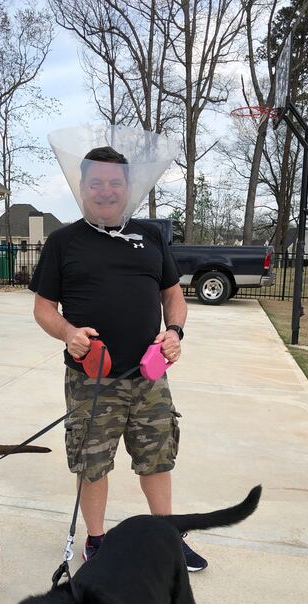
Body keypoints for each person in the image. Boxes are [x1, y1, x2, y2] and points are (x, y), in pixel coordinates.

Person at [29, 145, 208, 571]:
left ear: (128, 188)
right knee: (92, 462)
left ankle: (166, 537)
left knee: (157, 456)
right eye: (96, 183)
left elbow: (173, 294)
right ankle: (97, 541)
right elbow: (43, 308)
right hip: (91, 377)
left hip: (149, 375)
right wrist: (68, 332)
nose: (105, 191)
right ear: (83, 186)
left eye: (115, 183)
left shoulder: (150, 236)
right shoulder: (62, 242)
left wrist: (175, 332)